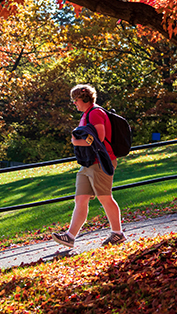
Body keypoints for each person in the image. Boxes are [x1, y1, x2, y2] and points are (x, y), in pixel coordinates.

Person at [52, 84, 126, 249]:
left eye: (75, 100)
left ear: (83, 99)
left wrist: (75, 141)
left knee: (105, 197)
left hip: (100, 161)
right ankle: (70, 237)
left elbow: (99, 137)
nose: (74, 103)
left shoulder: (96, 113)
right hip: (88, 163)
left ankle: (117, 233)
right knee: (80, 198)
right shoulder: (87, 114)